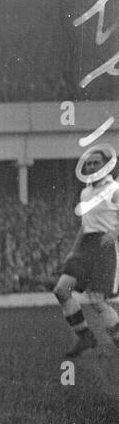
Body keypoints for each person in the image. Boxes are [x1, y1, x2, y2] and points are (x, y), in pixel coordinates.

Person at [53, 147, 119, 358]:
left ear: (106, 165)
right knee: (62, 290)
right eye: (88, 164)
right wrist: (73, 251)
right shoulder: (85, 191)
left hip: (104, 246)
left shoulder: (115, 189)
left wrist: (114, 234)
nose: (91, 167)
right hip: (85, 246)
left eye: (95, 163)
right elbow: (84, 225)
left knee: (98, 301)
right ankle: (84, 336)